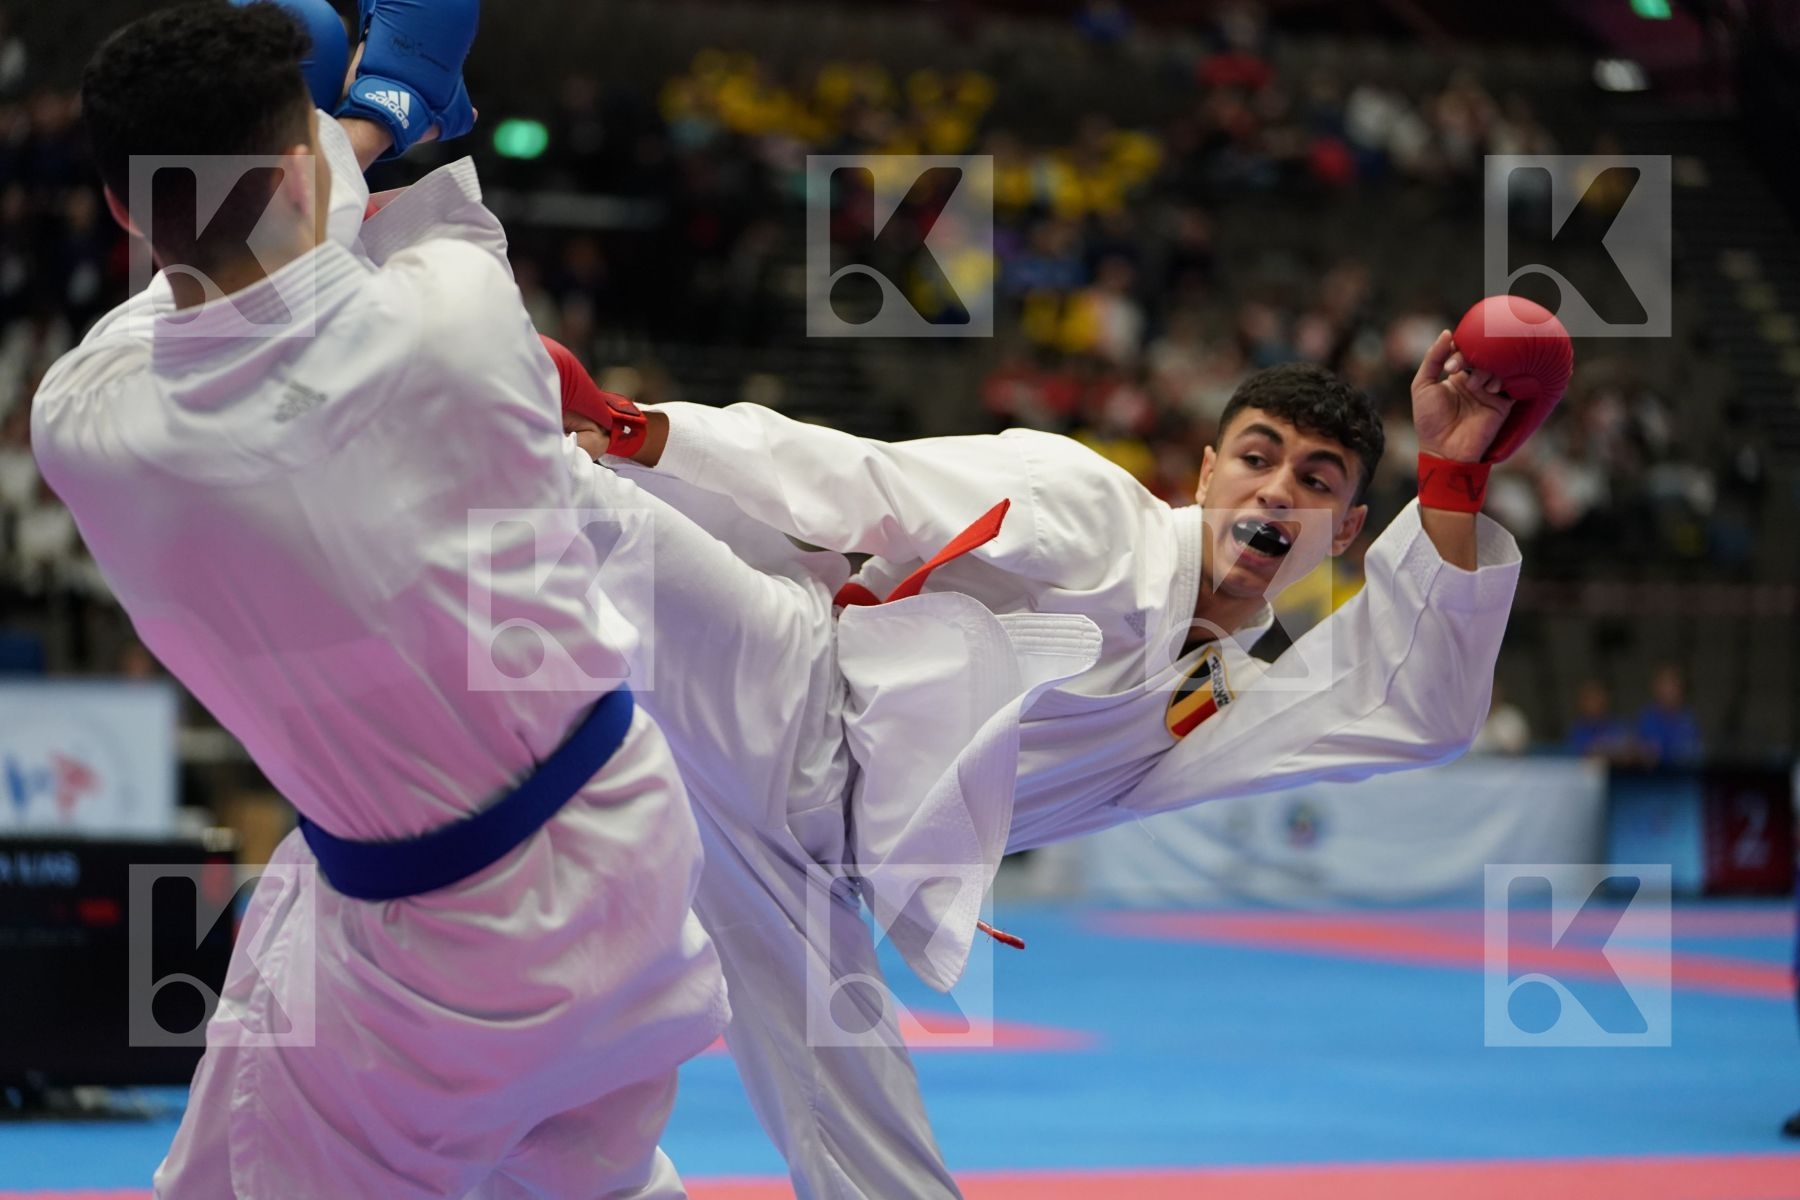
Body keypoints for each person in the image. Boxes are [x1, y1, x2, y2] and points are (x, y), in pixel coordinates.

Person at [549, 330, 1533, 1197]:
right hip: (797, 696)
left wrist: (1452, 471)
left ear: (1348, 532)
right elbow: (871, 480)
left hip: (811, 865)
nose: (1279, 488)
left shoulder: (1233, 698)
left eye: (1317, 481)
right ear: (1203, 475)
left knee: (874, 1156)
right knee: (579, 501)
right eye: (1257, 458)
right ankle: (436, 334)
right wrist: (649, 429)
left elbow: (1418, 710)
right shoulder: (1093, 509)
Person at [32, 5, 725, 1196]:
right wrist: (380, 109)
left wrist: (349, 129)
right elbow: (316, 254)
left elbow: (219, 276)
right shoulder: (458, 314)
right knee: (581, 1170)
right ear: (299, 168)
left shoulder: (87, 427)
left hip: (431, 946)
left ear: (118, 212)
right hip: (626, 836)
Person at [1634, 662, 1703, 766]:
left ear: (1681, 689)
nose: (1669, 691)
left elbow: (1693, 755)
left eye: (1673, 685)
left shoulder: (1689, 720)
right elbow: (1643, 754)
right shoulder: (1647, 718)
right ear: (1655, 688)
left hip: (1682, 777)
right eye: (1664, 685)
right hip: (1654, 778)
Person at [1566, 676, 1632, 760]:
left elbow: (1631, 749)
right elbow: (1584, 752)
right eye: (1589, 699)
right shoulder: (1576, 730)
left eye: (1598, 697)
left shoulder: (1620, 726)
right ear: (1581, 703)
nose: (1595, 702)